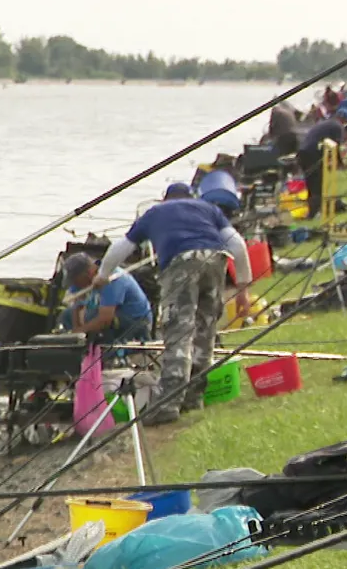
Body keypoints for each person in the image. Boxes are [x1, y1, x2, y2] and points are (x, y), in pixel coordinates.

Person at [94, 182, 251, 425]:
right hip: (215, 260)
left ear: (164, 198)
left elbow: (122, 247)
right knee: (205, 331)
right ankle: (193, 397)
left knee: (179, 331)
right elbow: (238, 246)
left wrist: (103, 275)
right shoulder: (208, 208)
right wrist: (243, 291)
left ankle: (168, 404)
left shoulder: (155, 212)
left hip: (181, 263)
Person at [60, 252, 153, 345]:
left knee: (95, 316)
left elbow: (105, 319)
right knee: (66, 315)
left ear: (87, 273)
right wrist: (76, 332)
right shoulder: (80, 282)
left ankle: (104, 351)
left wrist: (79, 332)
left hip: (135, 322)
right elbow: (77, 306)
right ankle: (81, 349)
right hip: (107, 316)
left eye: (75, 281)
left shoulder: (111, 278)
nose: (74, 285)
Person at [297, 107, 347, 219]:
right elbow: (336, 146)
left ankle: (316, 210)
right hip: (313, 154)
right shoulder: (338, 126)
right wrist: (340, 163)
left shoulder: (325, 123)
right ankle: (315, 213)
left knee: (311, 184)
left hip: (302, 153)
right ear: (344, 120)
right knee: (318, 183)